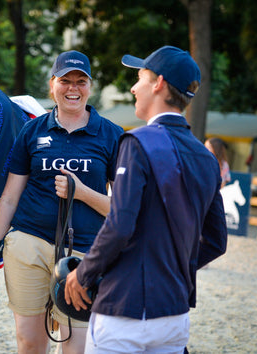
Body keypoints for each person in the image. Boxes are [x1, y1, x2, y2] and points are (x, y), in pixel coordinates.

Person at [64, 45, 228, 353]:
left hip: (123, 310)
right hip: (175, 314)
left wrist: (82, 275)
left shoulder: (137, 142)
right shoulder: (207, 159)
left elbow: (120, 224)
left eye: (139, 77)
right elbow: (217, 242)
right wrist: (174, 270)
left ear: (159, 83)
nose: (133, 87)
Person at [0, 50, 124, 353]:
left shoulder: (111, 135)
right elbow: (9, 199)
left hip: (85, 252)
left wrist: (82, 192)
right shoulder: (32, 131)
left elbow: (123, 209)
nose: (73, 88)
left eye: (80, 81)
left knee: (76, 346)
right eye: (65, 80)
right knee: (29, 343)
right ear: (52, 85)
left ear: (90, 86)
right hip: (28, 243)